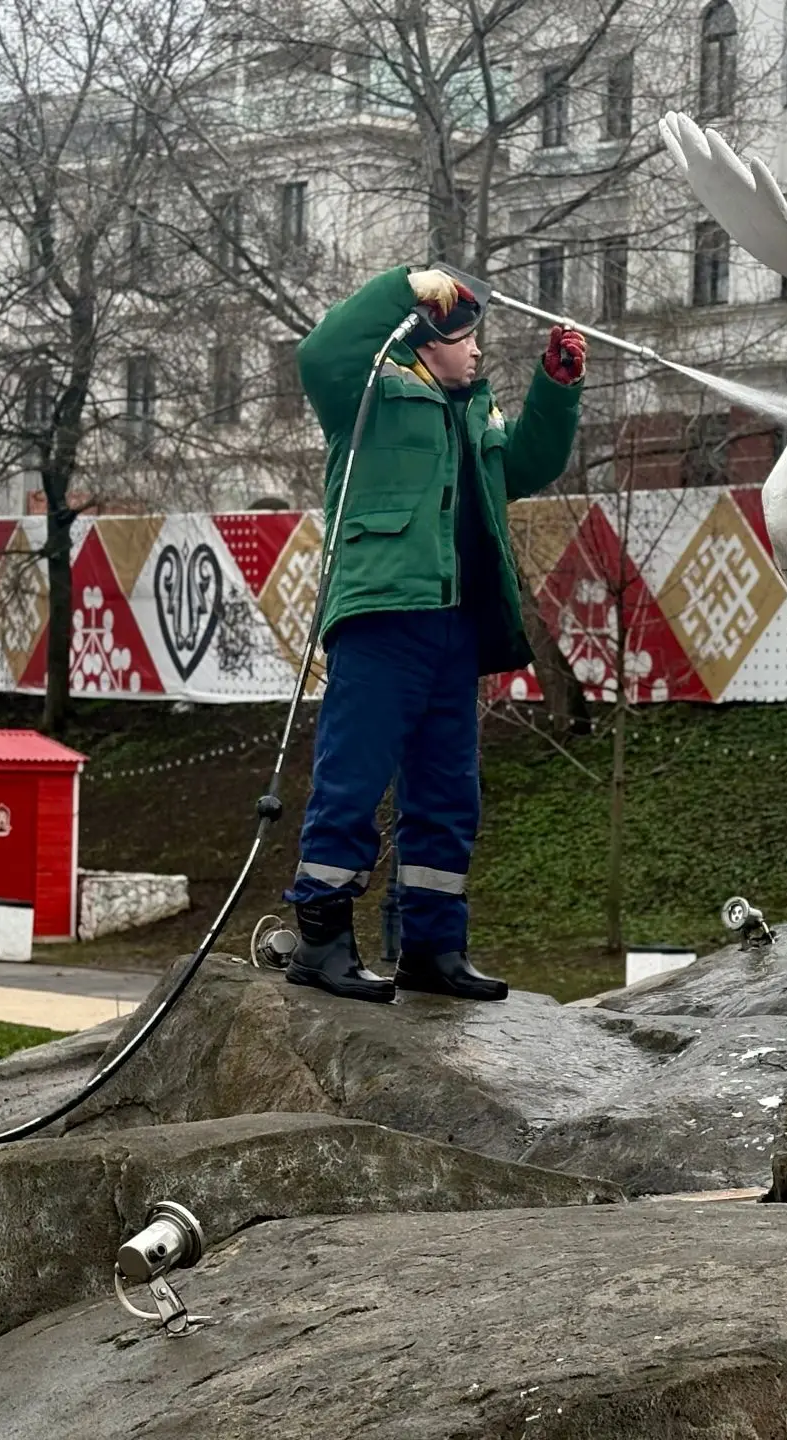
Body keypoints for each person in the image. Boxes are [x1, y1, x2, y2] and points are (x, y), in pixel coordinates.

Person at [285, 265, 586, 1003]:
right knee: (352, 780)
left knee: (448, 794)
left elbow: (531, 462)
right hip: (383, 617)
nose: (479, 352)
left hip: (456, 628)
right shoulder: (369, 396)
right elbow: (321, 352)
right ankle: (320, 940)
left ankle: (432, 948)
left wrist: (557, 385)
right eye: (467, 337)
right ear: (427, 339)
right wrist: (405, 286)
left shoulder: (476, 416)